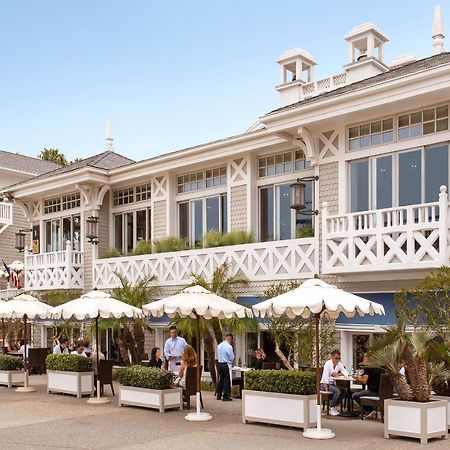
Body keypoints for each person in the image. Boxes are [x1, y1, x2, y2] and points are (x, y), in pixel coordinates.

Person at [352, 353, 384, 419]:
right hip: (382, 394)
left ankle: (369, 410)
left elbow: (364, 381)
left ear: (368, 359)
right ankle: (370, 410)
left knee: (354, 395)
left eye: (364, 358)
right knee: (363, 392)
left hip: (373, 392)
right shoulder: (380, 367)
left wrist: (357, 379)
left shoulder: (367, 367)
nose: (363, 360)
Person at [320, 349, 348, 416]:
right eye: (336, 358)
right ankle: (332, 408)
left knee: (344, 390)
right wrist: (327, 390)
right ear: (332, 357)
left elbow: (345, 372)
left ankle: (334, 405)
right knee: (338, 391)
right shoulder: (327, 364)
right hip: (324, 384)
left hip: (332, 384)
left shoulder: (339, 364)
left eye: (339, 358)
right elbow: (325, 377)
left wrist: (338, 374)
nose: (337, 360)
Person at [216, 334, 234, 401]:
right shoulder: (228, 346)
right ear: (230, 339)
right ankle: (225, 396)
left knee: (221, 379)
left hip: (220, 364)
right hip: (226, 364)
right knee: (227, 380)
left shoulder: (219, 345)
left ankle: (219, 395)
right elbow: (231, 357)